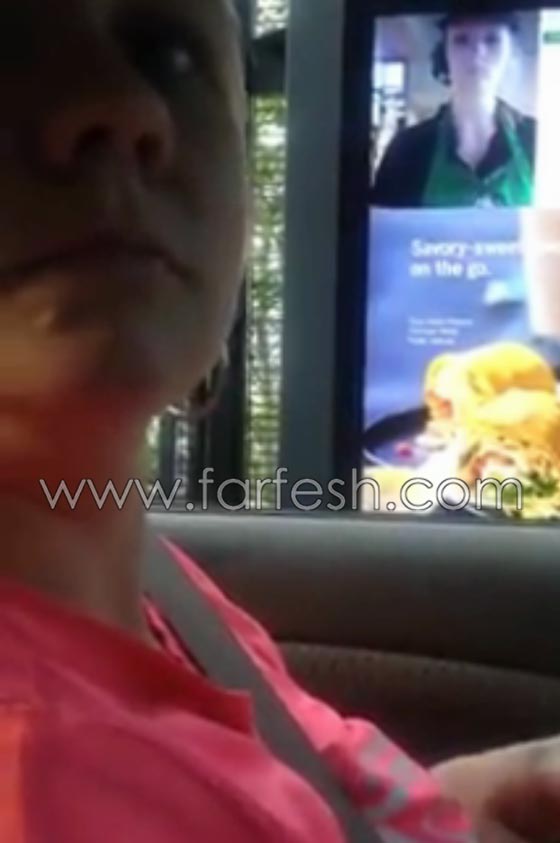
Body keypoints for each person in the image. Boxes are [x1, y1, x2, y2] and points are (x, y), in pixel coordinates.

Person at [0, 1, 558, 841]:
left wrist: (483, 799)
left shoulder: (148, 585)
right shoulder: (40, 777)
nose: (123, 104)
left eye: (169, 52)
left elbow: (314, 804)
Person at [371, 14, 537, 208]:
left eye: (492, 40)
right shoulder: (406, 149)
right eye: (461, 40)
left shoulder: (540, 140)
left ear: (509, 52)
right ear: (445, 53)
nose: (477, 52)